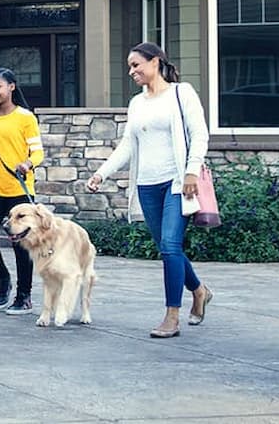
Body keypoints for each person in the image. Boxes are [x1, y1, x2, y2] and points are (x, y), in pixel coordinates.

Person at [85, 42, 213, 339]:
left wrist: (192, 170)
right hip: (146, 185)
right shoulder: (137, 103)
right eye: (129, 67)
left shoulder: (182, 93)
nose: (132, 72)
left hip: (177, 182)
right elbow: (128, 145)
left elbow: (199, 134)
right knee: (168, 249)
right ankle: (199, 290)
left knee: (170, 246)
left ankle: (172, 316)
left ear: (155, 62)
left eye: (136, 65)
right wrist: (102, 173)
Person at [0, 68, 43, 315]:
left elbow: (37, 152)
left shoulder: (25, 118)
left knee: (21, 245)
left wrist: (27, 163)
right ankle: (3, 279)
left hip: (19, 190)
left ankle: (24, 296)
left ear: (11, 87)